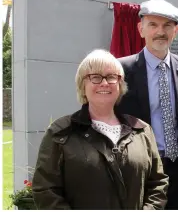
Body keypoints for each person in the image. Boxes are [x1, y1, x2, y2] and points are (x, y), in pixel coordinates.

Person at [32, 49, 168, 209]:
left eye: (111, 77)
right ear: (83, 85)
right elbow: (45, 190)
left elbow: (158, 183)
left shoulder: (141, 130)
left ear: (120, 85)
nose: (104, 83)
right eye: (95, 77)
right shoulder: (61, 132)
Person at [116, 0, 178, 209]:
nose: (160, 32)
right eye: (153, 25)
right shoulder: (120, 69)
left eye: (167, 25)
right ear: (140, 29)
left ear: (175, 30)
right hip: (142, 168)